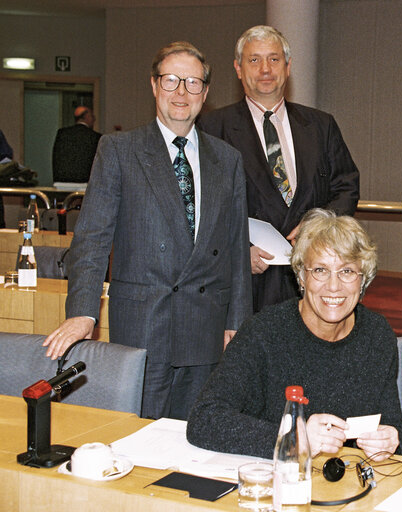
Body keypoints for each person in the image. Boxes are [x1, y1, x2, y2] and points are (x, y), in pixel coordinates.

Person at [42, 41, 252, 420]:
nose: (181, 92)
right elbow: (92, 239)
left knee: (198, 440)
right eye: (171, 80)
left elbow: (237, 249)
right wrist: (83, 311)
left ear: (205, 92)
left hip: (206, 327)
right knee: (140, 437)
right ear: (154, 86)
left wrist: (237, 324)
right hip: (144, 324)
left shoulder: (228, 160)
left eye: (192, 82)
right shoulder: (119, 150)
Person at [187, 209, 402, 461]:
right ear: (301, 276)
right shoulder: (264, 333)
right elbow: (204, 418)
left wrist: (391, 437)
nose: (333, 286)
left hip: (349, 484)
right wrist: (292, 437)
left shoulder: (377, 336)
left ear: (363, 280)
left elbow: (392, 424)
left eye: (346, 272)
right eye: (320, 270)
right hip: (276, 480)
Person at [198, 25, 359, 313]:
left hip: (313, 276)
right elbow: (203, 207)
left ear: (288, 67)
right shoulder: (213, 129)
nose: (265, 69)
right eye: (254, 60)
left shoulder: (321, 126)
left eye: (274, 59)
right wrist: (235, 253)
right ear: (238, 68)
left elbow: (346, 186)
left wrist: (317, 228)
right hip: (248, 282)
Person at [52, 106, 102, 183]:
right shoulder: (95, 137)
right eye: (92, 116)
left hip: (62, 181)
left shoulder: (62, 133)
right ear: (86, 116)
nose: (94, 119)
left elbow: (56, 157)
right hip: (85, 182)